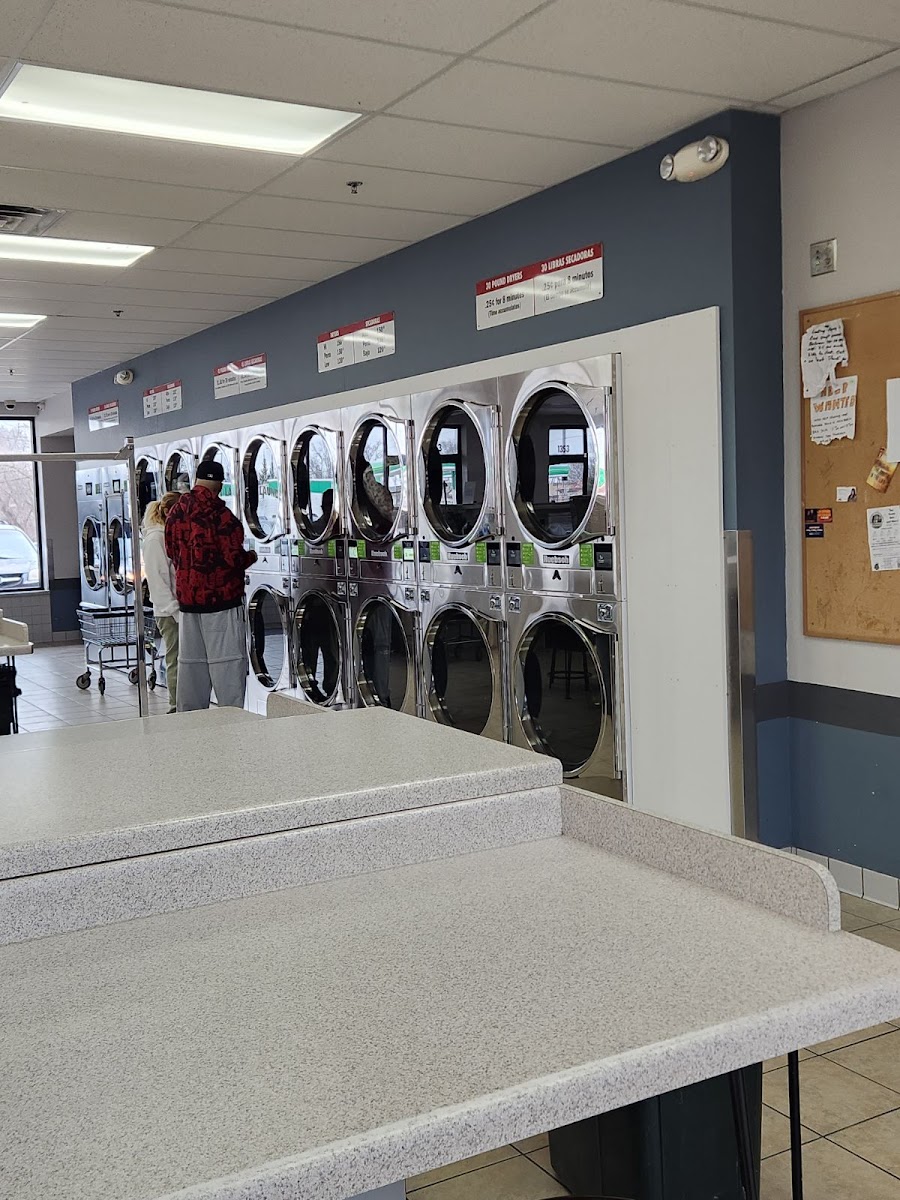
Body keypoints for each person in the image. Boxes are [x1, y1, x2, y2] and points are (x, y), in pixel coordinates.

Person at [165, 459, 257, 711]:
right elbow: (233, 559)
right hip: (221, 601)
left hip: (188, 603)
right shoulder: (221, 515)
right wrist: (251, 556)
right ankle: (230, 718)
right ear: (219, 485)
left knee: (191, 666)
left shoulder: (176, 512)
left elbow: (171, 551)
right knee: (227, 665)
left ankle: (192, 721)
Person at [142, 491, 182, 713]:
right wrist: (175, 611)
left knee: (182, 659)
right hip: (169, 612)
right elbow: (157, 580)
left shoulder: (168, 535)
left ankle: (183, 703)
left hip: (177, 608)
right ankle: (176, 705)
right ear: (167, 512)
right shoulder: (156, 539)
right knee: (176, 658)